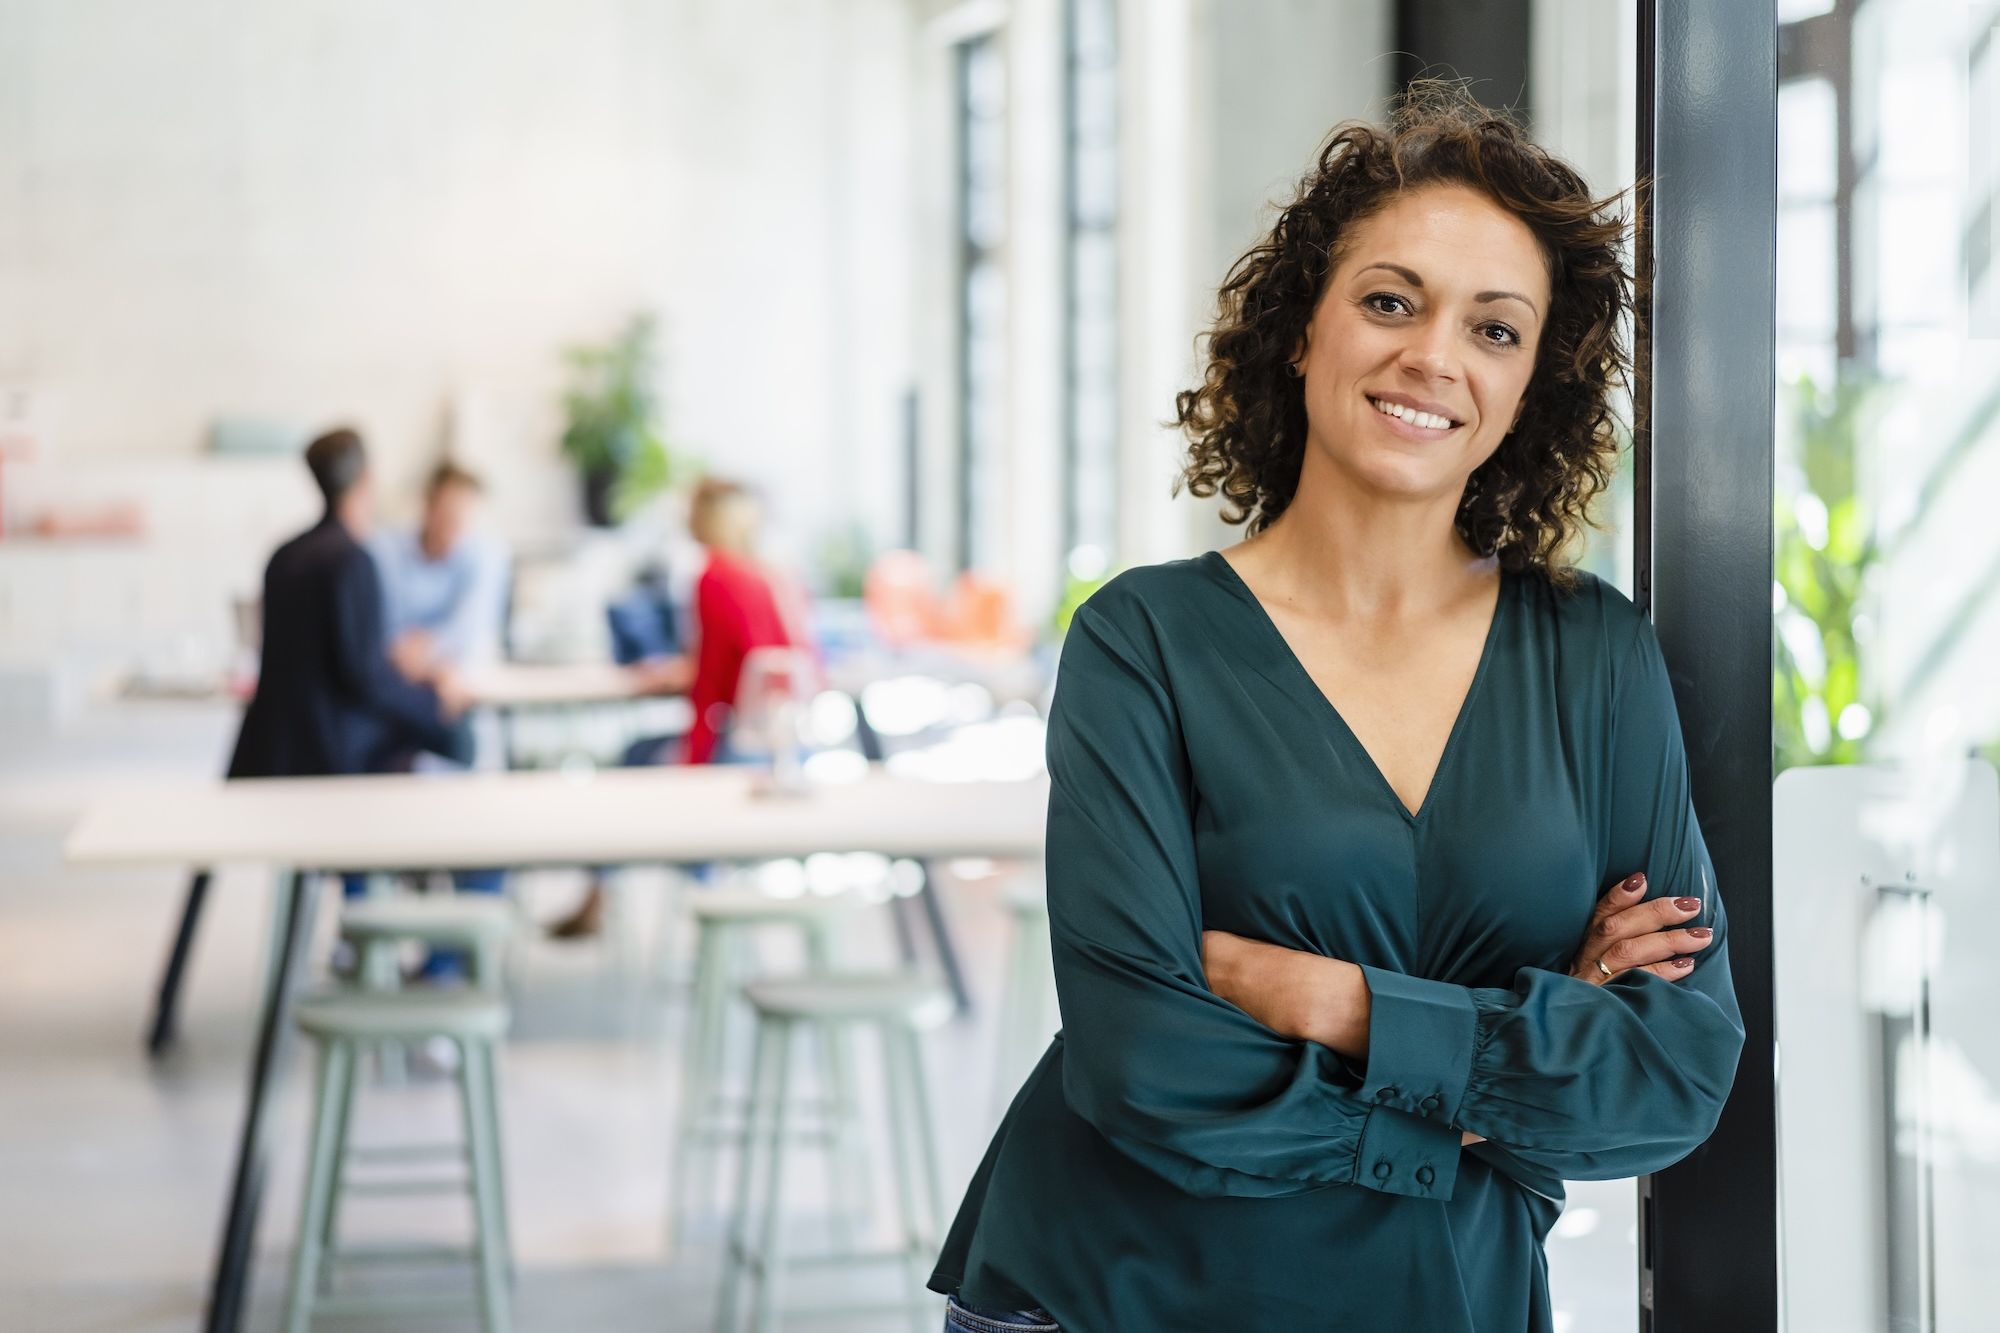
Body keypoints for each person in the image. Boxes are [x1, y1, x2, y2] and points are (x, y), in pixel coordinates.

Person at [927, 83, 1746, 1332]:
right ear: (1301, 329)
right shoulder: (1142, 640)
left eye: (1494, 329)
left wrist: (1339, 1005)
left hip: (1446, 1299)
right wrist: (1503, 1077)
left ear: (1530, 386)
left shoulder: (1593, 656)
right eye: (1387, 300)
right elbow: (1146, 1063)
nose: (1431, 356)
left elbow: (1666, 1073)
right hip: (1116, 1292)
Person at [545, 476, 805, 938]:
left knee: (633, 760)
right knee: (642, 753)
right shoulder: (767, 574)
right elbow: (759, 661)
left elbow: (709, 693)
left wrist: (691, 762)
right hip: (779, 746)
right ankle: (618, 893)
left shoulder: (712, 575)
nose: (684, 518)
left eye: (691, 509)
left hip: (736, 747)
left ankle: (622, 891)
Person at [227, 428, 466, 782]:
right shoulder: (351, 560)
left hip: (271, 748)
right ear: (366, 481)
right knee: (459, 739)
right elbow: (362, 676)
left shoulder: (284, 555)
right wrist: (433, 703)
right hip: (331, 752)